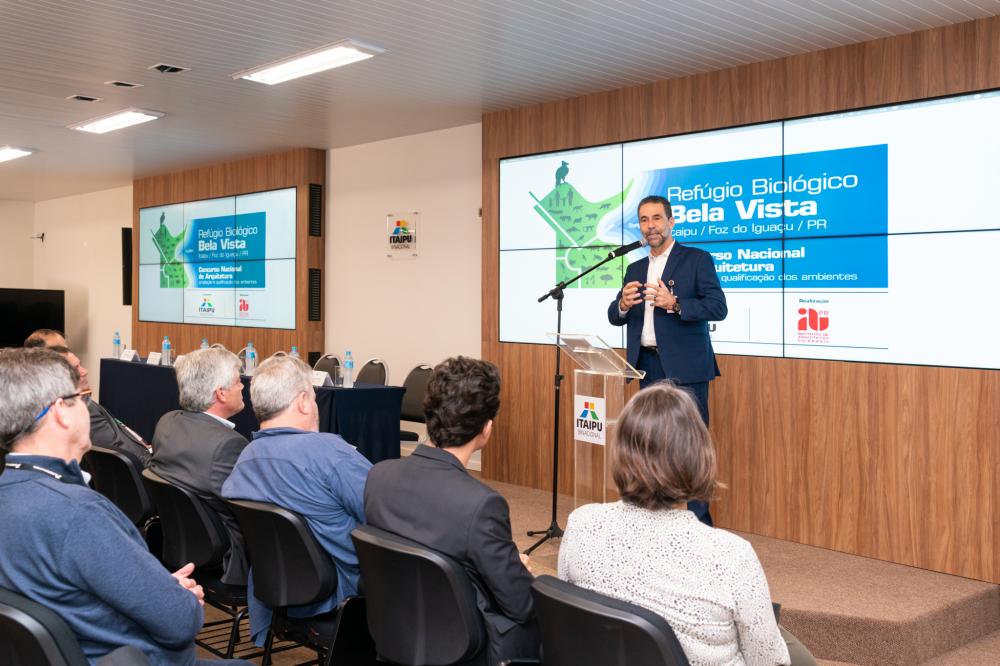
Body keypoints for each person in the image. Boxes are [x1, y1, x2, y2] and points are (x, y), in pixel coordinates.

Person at [0, 348, 250, 666]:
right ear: (61, 412)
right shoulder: (79, 514)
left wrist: (157, 587)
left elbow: (70, 589)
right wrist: (178, 597)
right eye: (83, 397)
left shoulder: (13, 494)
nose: (88, 406)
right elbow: (182, 623)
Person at [558, 383, 815, 666]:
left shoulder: (580, 524)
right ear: (697, 455)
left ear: (620, 452)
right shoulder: (732, 556)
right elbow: (770, 661)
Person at [364, 356, 539, 665]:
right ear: (487, 428)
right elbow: (521, 604)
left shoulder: (379, 476)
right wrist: (517, 567)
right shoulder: (482, 504)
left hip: (395, 632)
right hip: (462, 649)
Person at [222, 355, 372, 646]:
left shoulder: (246, 458)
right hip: (341, 588)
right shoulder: (329, 453)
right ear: (304, 401)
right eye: (314, 399)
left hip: (275, 587)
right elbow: (387, 511)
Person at [608, 194, 727, 524]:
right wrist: (623, 304)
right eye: (644, 220)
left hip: (687, 368)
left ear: (671, 222)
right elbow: (614, 315)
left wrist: (675, 303)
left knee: (691, 446)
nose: (650, 226)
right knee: (647, 445)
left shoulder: (696, 259)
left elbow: (718, 307)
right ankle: (652, 518)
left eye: (657, 218)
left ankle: (700, 522)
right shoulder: (634, 267)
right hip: (646, 366)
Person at [150, 347, 250, 585]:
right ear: (221, 394)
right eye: (238, 381)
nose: (243, 386)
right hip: (227, 558)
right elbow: (252, 512)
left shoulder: (167, 422)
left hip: (182, 544)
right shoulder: (228, 445)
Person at [50, 345, 152, 467]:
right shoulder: (83, 409)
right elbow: (116, 450)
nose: (84, 371)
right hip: (142, 469)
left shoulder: (81, 402)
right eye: (77, 367)